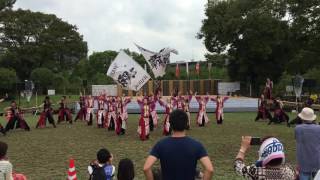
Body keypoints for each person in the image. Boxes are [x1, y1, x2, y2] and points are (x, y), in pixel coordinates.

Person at [143, 109, 214, 180]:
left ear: (170, 124)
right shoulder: (197, 145)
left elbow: (146, 168)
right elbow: (209, 169)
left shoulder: (160, 144)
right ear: (186, 124)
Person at [295, 107, 320, 180]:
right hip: (317, 159)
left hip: (303, 161)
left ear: (302, 118)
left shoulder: (298, 128)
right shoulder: (318, 128)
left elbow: (297, 139)